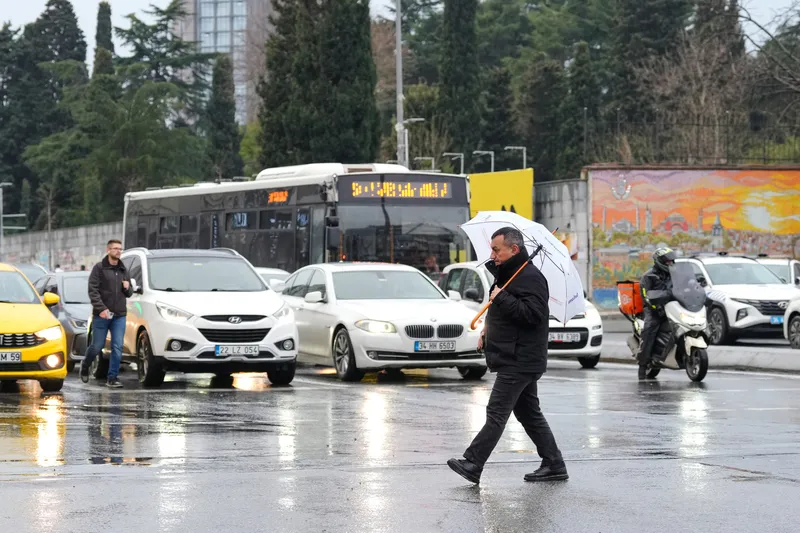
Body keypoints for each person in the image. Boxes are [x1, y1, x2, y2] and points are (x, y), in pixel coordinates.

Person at [448, 227, 567, 484]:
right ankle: (554, 463)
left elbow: (533, 315)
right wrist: (486, 332)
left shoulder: (531, 277)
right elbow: (504, 314)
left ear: (514, 249)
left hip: (520, 358)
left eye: (496, 249)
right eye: (492, 249)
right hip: (516, 355)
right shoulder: (509, 275)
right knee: (528, 413)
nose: (493, 255)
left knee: (496, 412)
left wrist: (502, 299)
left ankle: (473, 463)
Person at [80, 239, 132, 388]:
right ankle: (85, 365)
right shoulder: (99, 268)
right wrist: (102, 309)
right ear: (108, 250)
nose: (118, 251)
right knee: (97, 346)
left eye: (120, 249)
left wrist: (128, 287)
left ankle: (112, 377)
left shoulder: (123, 270)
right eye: (115, 248)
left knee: (117, 346)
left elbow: (128, 293)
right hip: (101, 315)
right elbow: (93, 291)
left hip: (119, 315)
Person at [637, 247, 677, 380]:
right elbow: (646, 297)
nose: (671, 264)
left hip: (673, 307)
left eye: (672, 261)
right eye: (668, 261)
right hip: (654, 309)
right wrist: (657, 308)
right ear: (660, 261)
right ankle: (643, 365)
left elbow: (684, 287)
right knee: (650, 329)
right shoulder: (648, 277)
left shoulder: (675, 274)